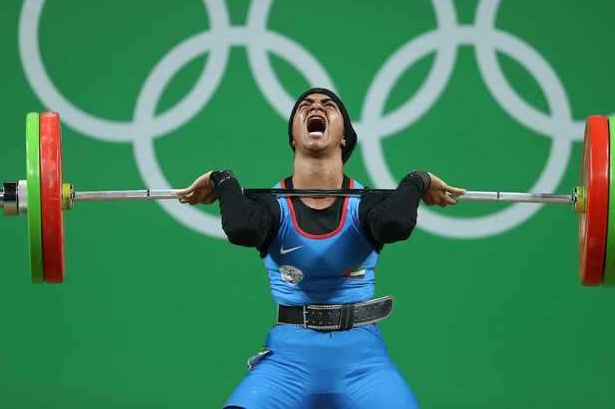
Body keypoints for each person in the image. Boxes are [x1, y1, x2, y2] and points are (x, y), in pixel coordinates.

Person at [177, 87, 465, 409]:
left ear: (344, 137)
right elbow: (241, 229)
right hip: (288, 366)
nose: (316, 107)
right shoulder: (271, 206)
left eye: (329, 105)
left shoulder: (365, 204)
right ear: (293, 139)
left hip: (363, 367)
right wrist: (223, 179)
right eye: (305, 105)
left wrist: (417, 180)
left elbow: (395, 225)